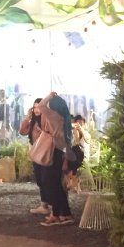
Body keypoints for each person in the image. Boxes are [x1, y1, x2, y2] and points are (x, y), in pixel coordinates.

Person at [36, 92, 74, 226]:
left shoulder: (54, 116)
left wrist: (49, 96)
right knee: (56, 184)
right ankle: (62, 214)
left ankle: (58, 214)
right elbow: (68, 142)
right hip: (59, 153)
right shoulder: (65, 119)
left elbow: (41, 106)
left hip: (52, 152)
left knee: (50, 184)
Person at [19, 98, 51, 215]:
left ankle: (52, 206)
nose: (36, 110)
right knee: (40, 180)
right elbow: (22, 131)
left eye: (39, 107)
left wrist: (42, 131)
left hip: (46, 153)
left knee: (47, 179)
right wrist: (27, 117)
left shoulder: (47, 120)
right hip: (36, 154)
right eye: (35, 107)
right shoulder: (33, 121)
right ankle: (44, 205)